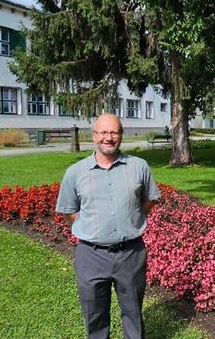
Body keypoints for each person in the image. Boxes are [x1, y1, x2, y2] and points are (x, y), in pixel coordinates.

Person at [56, 114, 160, 339]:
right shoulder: (75, 172)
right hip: (91, 255)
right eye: (103, 132)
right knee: (95, 317)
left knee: (133, 314)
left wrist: (130, 219)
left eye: (114, 132)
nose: (109, 138)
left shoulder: (139, 166)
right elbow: (68, 210)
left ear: (121, 135)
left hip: (130, 254)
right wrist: (94, 228)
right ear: (94, 136)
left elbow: (150, 200)